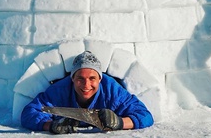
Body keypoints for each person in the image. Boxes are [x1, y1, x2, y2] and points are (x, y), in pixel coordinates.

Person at [21, 50, 154, 134]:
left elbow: (145, 116)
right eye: (80, 78)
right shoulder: (59, 91)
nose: (86, 85)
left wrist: (119, 122)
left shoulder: (113, 91)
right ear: (72, 78)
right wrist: (51, 125)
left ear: (100, 79)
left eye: (92, 78)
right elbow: (29, 113)